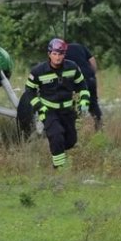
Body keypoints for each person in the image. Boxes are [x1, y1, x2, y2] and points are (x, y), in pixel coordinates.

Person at [24, 38, 90, 169]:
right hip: (48, 111)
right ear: (49, 54)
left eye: (60, 54)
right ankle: (59, 168)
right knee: (56, 135)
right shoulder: (38, 71)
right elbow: (29, 90)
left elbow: (82, 85)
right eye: (55, 54)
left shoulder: (72, 67)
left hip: (67, 111)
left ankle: (56, 146)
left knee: (71, 141)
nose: (58, 57)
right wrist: (39, 107)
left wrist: (84, 101)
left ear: (64, 54)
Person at [64, 42, 103, 129]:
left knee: (76, 105)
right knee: (93, 103)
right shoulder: (79, 46)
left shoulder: (58, 53)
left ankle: (77, 128)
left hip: (76, 81)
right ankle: (99, 126)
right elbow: (92, 60)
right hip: (90, 78)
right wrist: (92, 74)